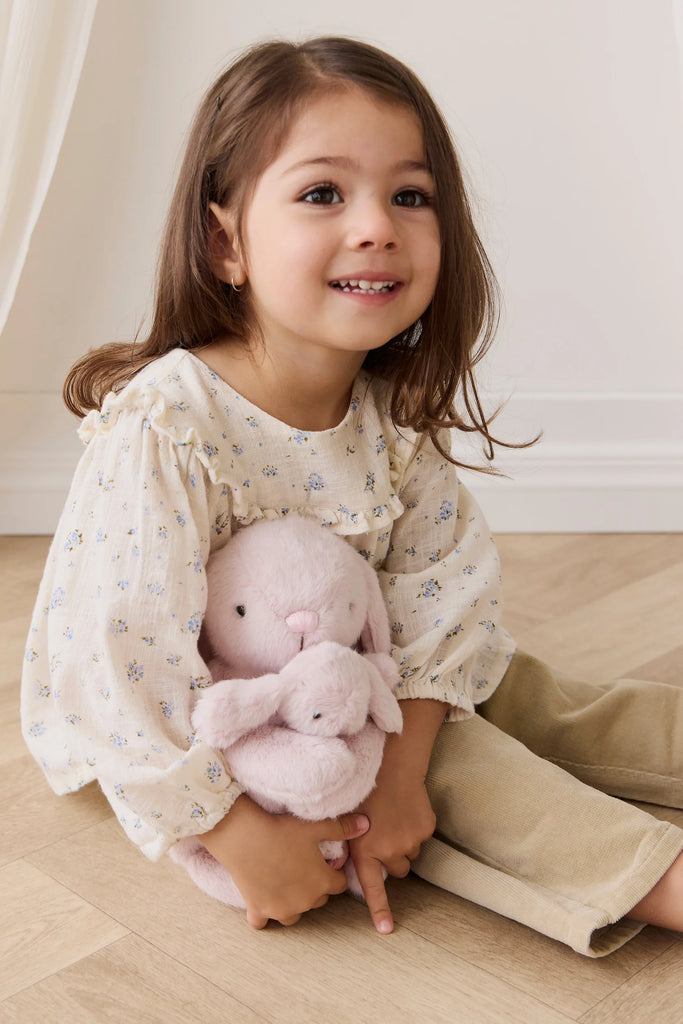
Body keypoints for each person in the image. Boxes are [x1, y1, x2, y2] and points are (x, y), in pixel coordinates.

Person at [21, 36, 683, 957]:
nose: (376, 225)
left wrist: (399, 766)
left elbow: (440, 597)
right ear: (225, 242)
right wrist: (229, 826)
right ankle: (654, 879)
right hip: (222, 714)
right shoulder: (168, 426)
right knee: (474, 770)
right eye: (323, 193)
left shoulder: (386, 424)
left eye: (409, 196)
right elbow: (117, 662)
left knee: (532, 697)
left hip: (353, 677)